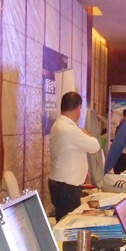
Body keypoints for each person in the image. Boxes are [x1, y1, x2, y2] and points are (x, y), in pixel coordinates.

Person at [48, 91, 100, 221]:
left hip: (59, 183)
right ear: (78, 108)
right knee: (69, 223)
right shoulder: (70, 130)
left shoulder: (58, 125)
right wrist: (87, 133)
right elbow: (95, 146)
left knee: (63, 219)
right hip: (67, 187)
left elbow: (71, 152)